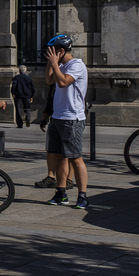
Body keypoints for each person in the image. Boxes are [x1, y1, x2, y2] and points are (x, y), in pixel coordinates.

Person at [44, 34, 89, 209]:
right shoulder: (61, 65)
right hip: (58, 117)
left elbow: (63, 82)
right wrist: (52, 62)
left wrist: (55, 63)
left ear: (61, 51)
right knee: (59, 156)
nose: (50, 55)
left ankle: (83, 195)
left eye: (53, 53)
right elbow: (49, 80)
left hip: (72, 118)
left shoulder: (77, 65)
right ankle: (61, 192)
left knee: (75, 158)